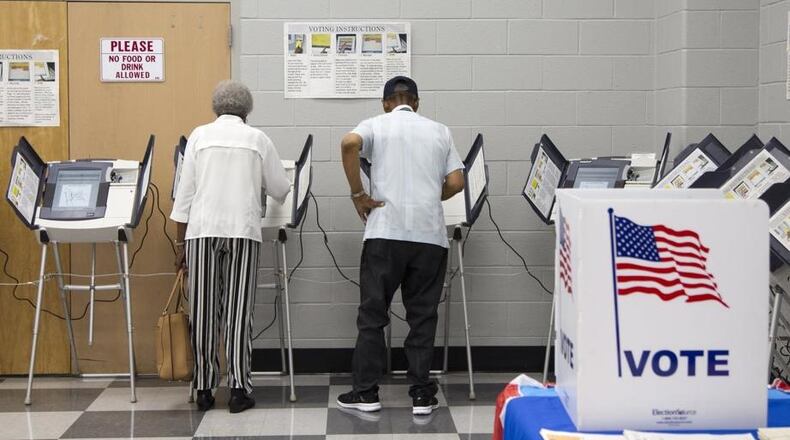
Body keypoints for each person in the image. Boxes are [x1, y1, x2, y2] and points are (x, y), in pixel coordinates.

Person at [336, 76, 465, 416]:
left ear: (386, 103)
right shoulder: (440, 130)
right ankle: (422, 394)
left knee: (373, 315)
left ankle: (366, 393)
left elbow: (349, 144)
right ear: (417, 102)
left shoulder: (376, 124)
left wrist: (357, 194)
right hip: (429, 238)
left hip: (385, 235)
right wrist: (429, 196)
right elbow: (456, 181)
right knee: (423, 316)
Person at [171, 80, 291, 414]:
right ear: (247, 110)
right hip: (242, 232)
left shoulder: (198, 136)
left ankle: (205, 389)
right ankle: (239, 389)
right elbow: (281, 188)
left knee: (204, 312)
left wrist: (181, 246)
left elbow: (184, 198)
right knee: (239, 312)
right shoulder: (257, 139)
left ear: (215, 107)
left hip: (202, 232)